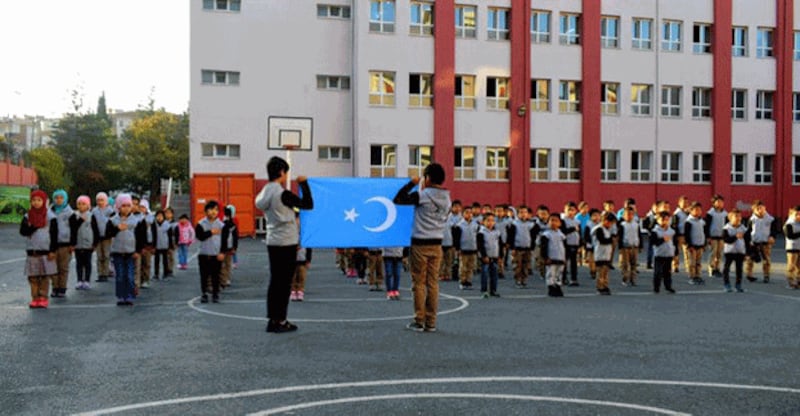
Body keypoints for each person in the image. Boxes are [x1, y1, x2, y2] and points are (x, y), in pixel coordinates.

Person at [255, 156, 313, 333]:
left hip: (272, 239)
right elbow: (308, 205)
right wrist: (304, 184)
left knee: (275, 282)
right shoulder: (283, 194)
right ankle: (281, 319)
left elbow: (261, 205)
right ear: (282, 172)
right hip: (287, 240)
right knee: (285, 283)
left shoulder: (264, 193)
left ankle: (272, 319)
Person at [394, 163, 451, 333]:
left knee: (418, 283)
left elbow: (398, 199)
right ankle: (431, 322)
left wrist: (412, 183)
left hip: (420, 243)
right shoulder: (447, 199)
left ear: (427, 178)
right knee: (433, 283)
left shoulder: (423, 196)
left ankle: (419, 320)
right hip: (437, 243)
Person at [20, 190, 58, 309]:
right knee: (33, 277)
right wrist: (33, 227)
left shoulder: (51, 216)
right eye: (34, 200)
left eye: (39, 200)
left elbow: (54, 235)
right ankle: (35, 298)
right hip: (32, 251)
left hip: (45, 252)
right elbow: (23, 231)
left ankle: (43, 297)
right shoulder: (27, 216)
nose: (36, 203)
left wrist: (52, 250)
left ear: (44, 201)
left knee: (44, 276)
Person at [106, 194, 142, 306]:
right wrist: (117, 229)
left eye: (128, 205)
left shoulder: (136, 221)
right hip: (117, 252)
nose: (126, 208)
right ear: (118, 207)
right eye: (123, 206)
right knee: (120, 276)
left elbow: (140, 237)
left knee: (130, 276)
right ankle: (121, 296)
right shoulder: (112, 220)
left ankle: (130, 295)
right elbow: (108, 233)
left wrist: (137, 251)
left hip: (131, 252)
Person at [195, 200, 225, 304]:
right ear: (206, 211)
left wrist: (222, 252)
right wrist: (211, 232)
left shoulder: (221, 225)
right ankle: (204, 294)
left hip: (216, 254)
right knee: (204, 276)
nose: (213, 212)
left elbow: (225, 241)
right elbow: (200, 236)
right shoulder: (200, 224)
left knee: (216, 276)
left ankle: (215, 294)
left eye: (216, 210)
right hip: (204, 254)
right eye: (211, 209)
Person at [745, 200, 777, 283]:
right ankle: (749, 274)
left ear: (764, 208)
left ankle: (766, 275)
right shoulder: (752, 219)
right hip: (754, 241)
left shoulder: (770, 219)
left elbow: (774, 230)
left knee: (766, 259)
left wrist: (772, 236)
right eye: (757, 209)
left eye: (761, 208)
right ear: (754, 210)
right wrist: (748, 241)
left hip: (765, 242)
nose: (760, 210)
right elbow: (748, 231)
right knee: (750, 259)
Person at [71, 195, 99, 290]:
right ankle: (79, 280)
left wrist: (95, 243)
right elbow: (73, 229)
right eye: (79, 204)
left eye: (83, 204)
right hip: (78, 244)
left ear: (88, 206)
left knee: (87, 263)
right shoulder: (74, 215)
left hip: (88, 244)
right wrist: (72, 244)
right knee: (79, 263)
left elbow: (95, 230)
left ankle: (87, 280)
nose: (81, 206)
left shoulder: (91, 216)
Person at [50, 189, 74, 298]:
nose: (58, 200)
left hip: (65, 244)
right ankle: (55, 287)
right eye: (56, 198)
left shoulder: (70, 213)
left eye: (61, 198)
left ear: (65, 199)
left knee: (63, 268)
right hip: (53, 244)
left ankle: (62, 288)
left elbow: (74, 229)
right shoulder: (50, 211)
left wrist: (72, 244)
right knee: (53, 268)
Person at [507, 205, 534, 289]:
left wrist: (532, 247)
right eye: (521, 212)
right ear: (517, 214)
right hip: (517, 248)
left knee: (526, 265)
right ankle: (518, 280)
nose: (523, 214)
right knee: (517, 265)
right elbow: (511, 236)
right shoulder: (514, 224)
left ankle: (524, 279)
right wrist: (512, 247)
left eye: (525, 212)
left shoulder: (531, 224)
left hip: (527, 247)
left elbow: (533, 236)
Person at [722, 209, 749, 293]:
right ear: (730, 218)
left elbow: (747, 240)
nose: (738, 218)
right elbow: (726, 240)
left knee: (739, 269)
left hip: (740, 251)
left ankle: (738, 285)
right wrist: (735, 237)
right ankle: (727, 284)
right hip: (729, 251)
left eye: (739, 216)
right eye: (736, 216)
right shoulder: (726, 228)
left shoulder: (743, 228)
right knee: (726, 268)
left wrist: (747, 253)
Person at [452, 207, 479, 290]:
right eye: (467, 212)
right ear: (463, 214)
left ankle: (469, 281)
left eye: (470, 213)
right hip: (463, 249)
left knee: (471, 266)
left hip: (473, 248)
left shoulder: (476, 225)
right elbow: (456, 239)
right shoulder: (459, 225)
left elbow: (478, 237)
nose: (469, 214)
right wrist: (457, 249)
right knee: (463, 266)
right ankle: (463, 281)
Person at [541, 214, 567, 297]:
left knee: (559, 273)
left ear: (560, 223)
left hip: (560, 257)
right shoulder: (546, 234)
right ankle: (551, 287)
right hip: (551, 258)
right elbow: (543, 247)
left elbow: (565, 246)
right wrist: (545, 257)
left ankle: (558, 286)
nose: (553, 223)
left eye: (556, 221)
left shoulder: (561, 235)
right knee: (551, 273)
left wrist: (565, 257)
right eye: (551, 220)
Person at [477, 212, 503, 298]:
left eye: (492, 221)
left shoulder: (497, 232)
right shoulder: (481, 232)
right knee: (484, 273)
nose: (490, 223)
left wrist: (500, 256)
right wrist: (484, 256)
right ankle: (484, 290)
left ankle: (493, 290)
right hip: (485, 257)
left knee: (494, 274)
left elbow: (500, 244)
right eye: (488, 220)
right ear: (483, 222)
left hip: (494, 256)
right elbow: (480, 245)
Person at [651, 211, 677, 294]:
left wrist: (675, 253)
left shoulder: (672, 231)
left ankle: (668, 286)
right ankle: (656, 287)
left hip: (669, 254)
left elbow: (674, 242)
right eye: (662, 220)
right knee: (658, 272)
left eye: (667, 220)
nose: (665, 222)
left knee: (667, 272)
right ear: (658, 220)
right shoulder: (655, 231)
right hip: (659, 255)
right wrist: (662, 239)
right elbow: (653, 242)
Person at [92, 192, 115, 282]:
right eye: (98, 200)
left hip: (107, 237)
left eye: (102, 200)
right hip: (97, 236)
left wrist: (111, 233)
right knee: (99, 256)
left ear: (106, 201)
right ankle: (100, 273)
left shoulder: (110, 211)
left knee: (106, 255)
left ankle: (105, 273)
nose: (100, 202)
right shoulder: (94, 211)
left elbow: (113, 223)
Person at [592, 213, 616, 295]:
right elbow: (602, 240)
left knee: (606, 272)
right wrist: (610, 240)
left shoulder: (607, 230)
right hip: (600, 254)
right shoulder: (599, 229)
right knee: (601, 272)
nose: (611, 225)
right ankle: (600, 287)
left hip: (606, 254)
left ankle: (605, 286)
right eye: (610, 223)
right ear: (605, 221)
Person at [705, 195, 728, 278]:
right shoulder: (710, 213)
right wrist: (708, 237)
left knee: (719, 254)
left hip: (721, 237)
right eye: (717, 202)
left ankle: (718, 268)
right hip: (713, 236)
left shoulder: (725, 214)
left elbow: (727, 225)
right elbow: (707, 225)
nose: (720, 203)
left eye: (721, 202)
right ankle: (712, 269)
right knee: (713, 253)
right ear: (713, 203)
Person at [618, 207, 640, 287]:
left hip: (634, 246)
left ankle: (633, 279)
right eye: (627, 215)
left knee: (634, 264)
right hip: (625, 247)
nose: (629, 216)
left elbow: (639, 235)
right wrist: (620, 247)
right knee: (625, 264)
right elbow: (620, 236)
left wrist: (640, 245)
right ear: (624, 216)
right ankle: (625, 278)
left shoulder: (636, 225)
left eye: (631, 214)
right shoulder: (622, 225)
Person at [290, 216, 312, 301]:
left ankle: (300, 290)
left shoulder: (305, 235)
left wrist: (308, 260)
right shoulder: (290, 233)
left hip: (302, 258)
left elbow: (309, 248)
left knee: (301, 275)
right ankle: (293, 290)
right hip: (292, 259)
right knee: (293, 275)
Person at [560, 202, 581, 287]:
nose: (571, 212)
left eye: (573, 210)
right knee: (564, 262)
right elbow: (563, 232)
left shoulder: (577, 221)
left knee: (574, 262)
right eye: (569, 210)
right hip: (566, 244)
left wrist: (580, 243)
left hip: (575, 243)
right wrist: (573, 229)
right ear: (565, 210)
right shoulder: (563, 220)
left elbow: (579, 233)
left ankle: (574, 279)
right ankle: (563, 278)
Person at [219, 205, 239, 289]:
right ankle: (225, 279)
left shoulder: (225, 225)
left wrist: (234, 247)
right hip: (227, 247)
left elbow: (235, 237)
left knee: (224, 264)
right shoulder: (231, 224)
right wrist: (235, 247)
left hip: (225, 247)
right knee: (226, 264)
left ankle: (224, 279)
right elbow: (235, 237)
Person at [671, 196, 691, 273]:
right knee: (676, 251)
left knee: (687, 252)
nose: (685, 204)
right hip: (679, 234)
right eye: (683, 202)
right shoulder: (677, 213)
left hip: (686, 234)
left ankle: (688, 266)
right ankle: (675, 266)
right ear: (679, 203)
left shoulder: (688, 213)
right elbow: (674, 224)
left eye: (687, 202)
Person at [783, 206, 800, 290]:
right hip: (792, 247)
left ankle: (798, 281)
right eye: (796, 214)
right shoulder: (789, 223)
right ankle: (790, 282)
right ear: (792, 214)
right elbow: (790, 236)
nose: (798, 216)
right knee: (791, 266)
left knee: (799, 266)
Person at [153, 210, 173, 280]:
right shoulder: (154, 224)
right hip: (156, 245)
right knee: (156, 261)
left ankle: (166, 273)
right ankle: (156, 274)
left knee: (165, 261)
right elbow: (153, 235)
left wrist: (170, 246)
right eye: (158, 216)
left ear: (163, 217)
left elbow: (170, 236)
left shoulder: (167, 225)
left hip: (165, 245)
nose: (159, 217)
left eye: (161, 216)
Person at [583, 208, 602, 280]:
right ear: (590, 217)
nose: (596, 217)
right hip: (590, 245)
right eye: (594, 215)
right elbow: (586, 235)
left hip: (599, 245)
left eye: (598, 215)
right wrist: (588, 242)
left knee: (598, 259)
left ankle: (597, 271)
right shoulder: (588, 225)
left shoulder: (601, 224)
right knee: (592, 259)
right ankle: (592, 271)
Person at [164, 207, 177, 276]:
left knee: (171, 256)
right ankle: (166, 269)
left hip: (172, 242)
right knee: (165, 257)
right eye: (166, 213)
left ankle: (170, 269)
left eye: (169, 213)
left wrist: (176, 243)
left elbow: (177, 234)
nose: (167, 215)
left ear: (172, 214)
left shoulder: (175, 223)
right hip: (164, 242)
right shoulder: (162, 222)